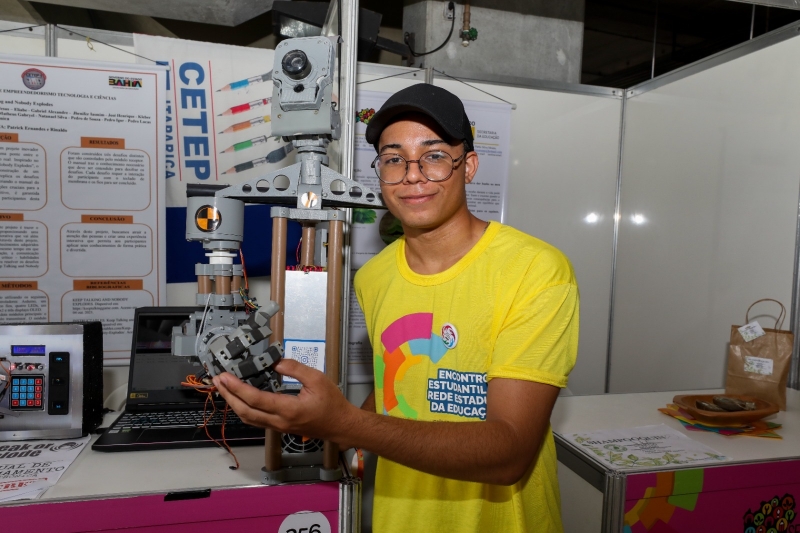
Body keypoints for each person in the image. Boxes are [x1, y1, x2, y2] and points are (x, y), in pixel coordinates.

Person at [213, 84, 579, 533]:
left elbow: (509, 454)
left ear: (469, 166)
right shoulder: (374, 277)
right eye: (393, 159)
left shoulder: (536, 270)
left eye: (434, 156)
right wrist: (329, 431)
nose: (412, 175)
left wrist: (346, 424)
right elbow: (398, 387)